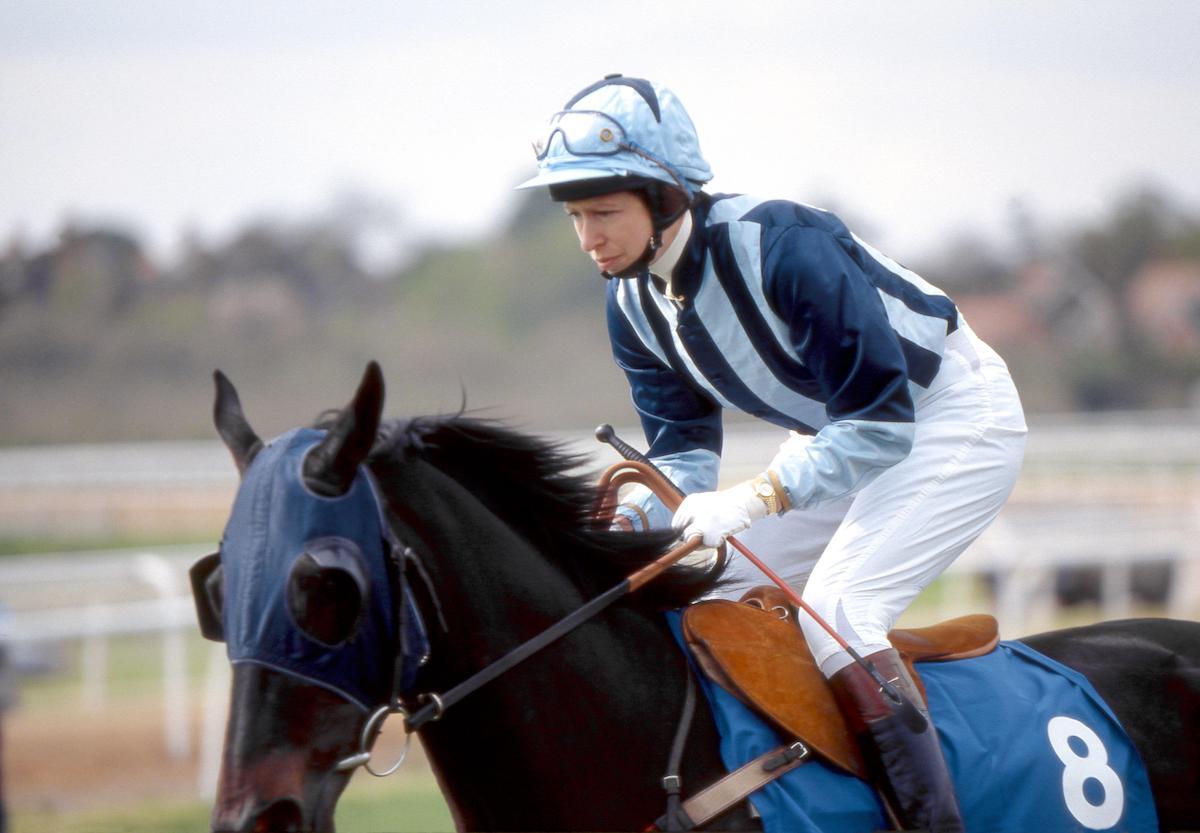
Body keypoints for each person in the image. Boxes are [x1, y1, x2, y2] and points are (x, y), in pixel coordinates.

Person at [517, 74, 1026, 832]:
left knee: (840, 614)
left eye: (603, 212)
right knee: (705, 595)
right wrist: (629, 523)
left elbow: (883, 427)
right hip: (840, 437)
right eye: (575, 216)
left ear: (665, 197)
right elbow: (684, 449)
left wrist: (755, 496)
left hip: (950, 417)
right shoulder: (631, 301)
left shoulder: (783, 246)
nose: (588, 238)